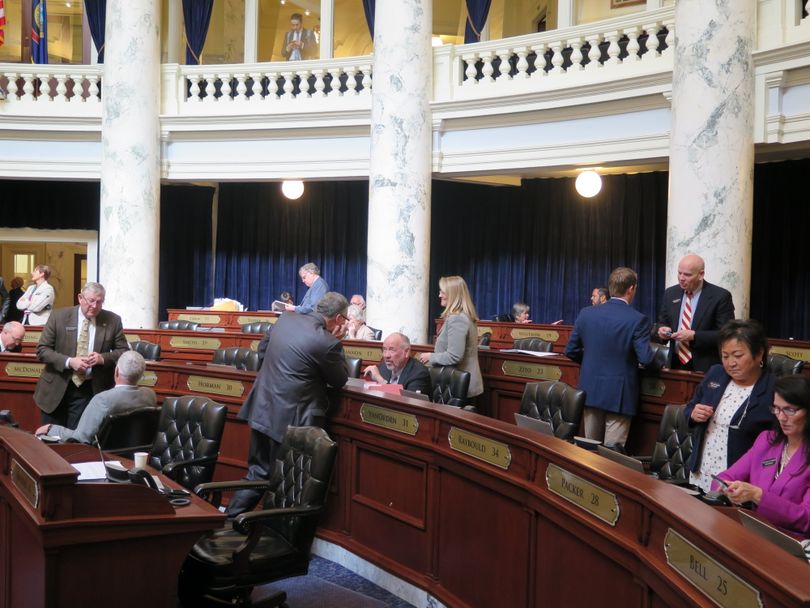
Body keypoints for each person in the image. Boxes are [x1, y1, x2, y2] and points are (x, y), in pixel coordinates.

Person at [227, 292, 349, 516]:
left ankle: (227, 521)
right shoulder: (326, 342)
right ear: (339, 319)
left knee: (257, 473)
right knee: (288, 482)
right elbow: (339, 380)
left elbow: (262, 352)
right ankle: (274, 536)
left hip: (262, 406)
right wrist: (337, 341)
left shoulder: (285, 320)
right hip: (292, 420)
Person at [564, 267, 655, 447]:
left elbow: (570, 350)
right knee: (612, 457)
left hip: (590, 389)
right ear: (631, 289)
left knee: (589, 452)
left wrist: (591, 361)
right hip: (619, 394)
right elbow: (646, 358)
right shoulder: (638, 319)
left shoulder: (586, 314)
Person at [685, 319, 776, 492]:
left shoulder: (773, 389)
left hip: (740, 481)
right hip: (702, 470)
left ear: (759, 354)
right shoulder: (716, 374)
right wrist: (693, 414)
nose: (730, 363)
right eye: (725, 356)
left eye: (738, 355)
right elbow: (690, 408)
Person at [714, 375, 810, 536]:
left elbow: (806, 517)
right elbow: (726, 476)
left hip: (794, 545)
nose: (781, 417)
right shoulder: (767, 440)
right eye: (777, 409)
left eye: (789, 410)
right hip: (754, 532)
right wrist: (726, 489)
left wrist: (758, 495)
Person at [34, 282, 129, 429]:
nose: (95, 306)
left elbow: (124, 351)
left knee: (75, 441)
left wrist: (102, 358)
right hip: (55, 387)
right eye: (91, 301)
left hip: (88, 390)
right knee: (50, 439)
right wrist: (69, 361)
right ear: (80, 298)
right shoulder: (58, 316)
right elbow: (42, 350)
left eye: (99, 302)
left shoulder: (112, 320)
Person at [34, 351, 156, 444]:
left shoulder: (103, 400)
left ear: (116, 371)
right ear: (141, 374)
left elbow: (81, 438)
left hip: (103, 458)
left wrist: (51, 428)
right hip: (134, 456)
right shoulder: (150, 395)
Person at [656, 253, 735, 372]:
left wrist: (694, 336)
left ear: (701, 274)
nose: (681, 278)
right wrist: (662, 330)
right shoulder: (670, 293)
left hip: (705, 366)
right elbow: (663, 322)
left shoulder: (720, 296)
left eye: (687, 274)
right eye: (679, 273)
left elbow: (726, 335)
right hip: (675, 363)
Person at [418, 276, 483, 403]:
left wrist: (430, 357)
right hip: (460, 385)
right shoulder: (464, 316)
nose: (439, 295)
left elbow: (454, 356)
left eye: (442, 292)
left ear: (453, 294)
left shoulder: (457, 318)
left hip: (459, 387)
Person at [364, 332, 432, 394]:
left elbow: (407, 402)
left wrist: (380, 379)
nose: (386, 355)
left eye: (392, 350)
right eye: (384, 349)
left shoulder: (419, 373)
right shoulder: (383, 368)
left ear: (406, 352)